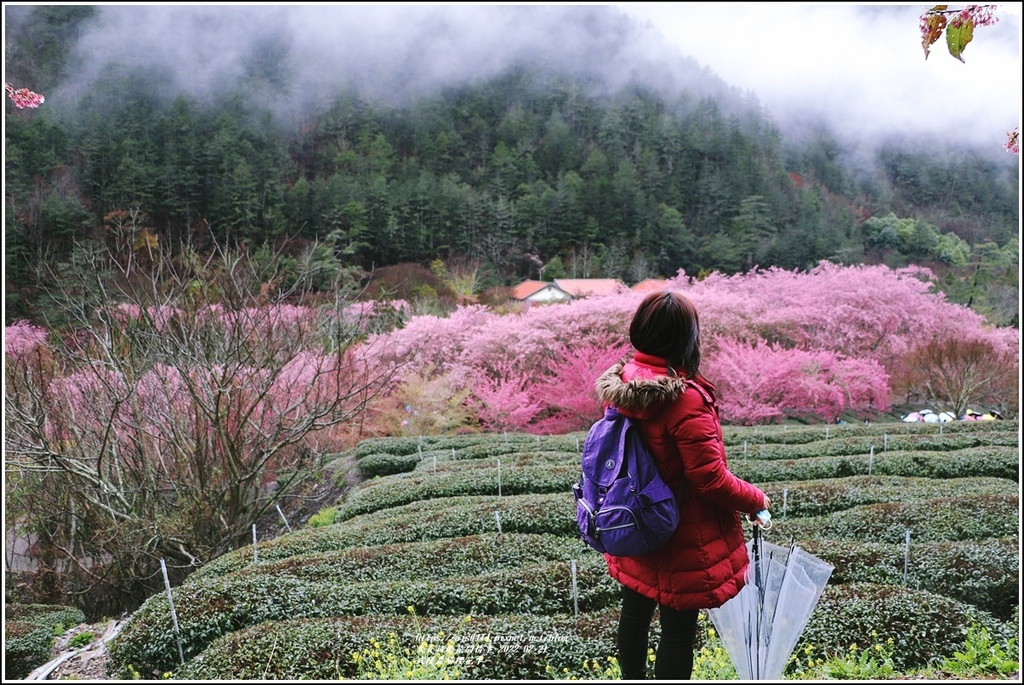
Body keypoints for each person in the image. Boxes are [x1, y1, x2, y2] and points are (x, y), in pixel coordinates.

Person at [594, 290, 771, 680]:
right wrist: (756, 500)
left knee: (635, 613)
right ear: (686, 339)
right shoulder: (686, 398)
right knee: (677, 632)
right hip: (680, 531)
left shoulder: (622, 381)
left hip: (631, 520)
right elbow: (708, 479)